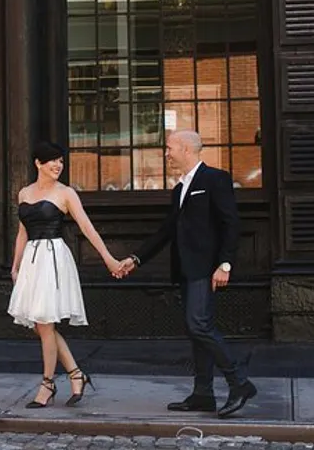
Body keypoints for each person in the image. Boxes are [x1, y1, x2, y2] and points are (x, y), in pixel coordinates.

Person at [116, 130, 257, 418]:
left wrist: (225, 264)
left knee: (199, 326)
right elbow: (167, 230)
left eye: (169, 148)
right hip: (185, 268)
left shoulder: (215, 179)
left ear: (186, 149)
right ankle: (203, 394)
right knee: (196, 331)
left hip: (206, 268)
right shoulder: (180, 189)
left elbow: (231, 223)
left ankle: (239, 383)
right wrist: (136, 258)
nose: (166, 154)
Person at [8, 141, 124, 408]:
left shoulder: (66, 193)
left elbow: (87, 227)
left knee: (46, 324)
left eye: (61, 160)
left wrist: (109, 259)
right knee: (41, 326)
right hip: (32, 263)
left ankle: (47, 384)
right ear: (38, 163)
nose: (58, 165)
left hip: (53, 260)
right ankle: (76, 373)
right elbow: (22, 233)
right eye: (52, 160)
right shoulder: (24, 193)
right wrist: (15, 266)